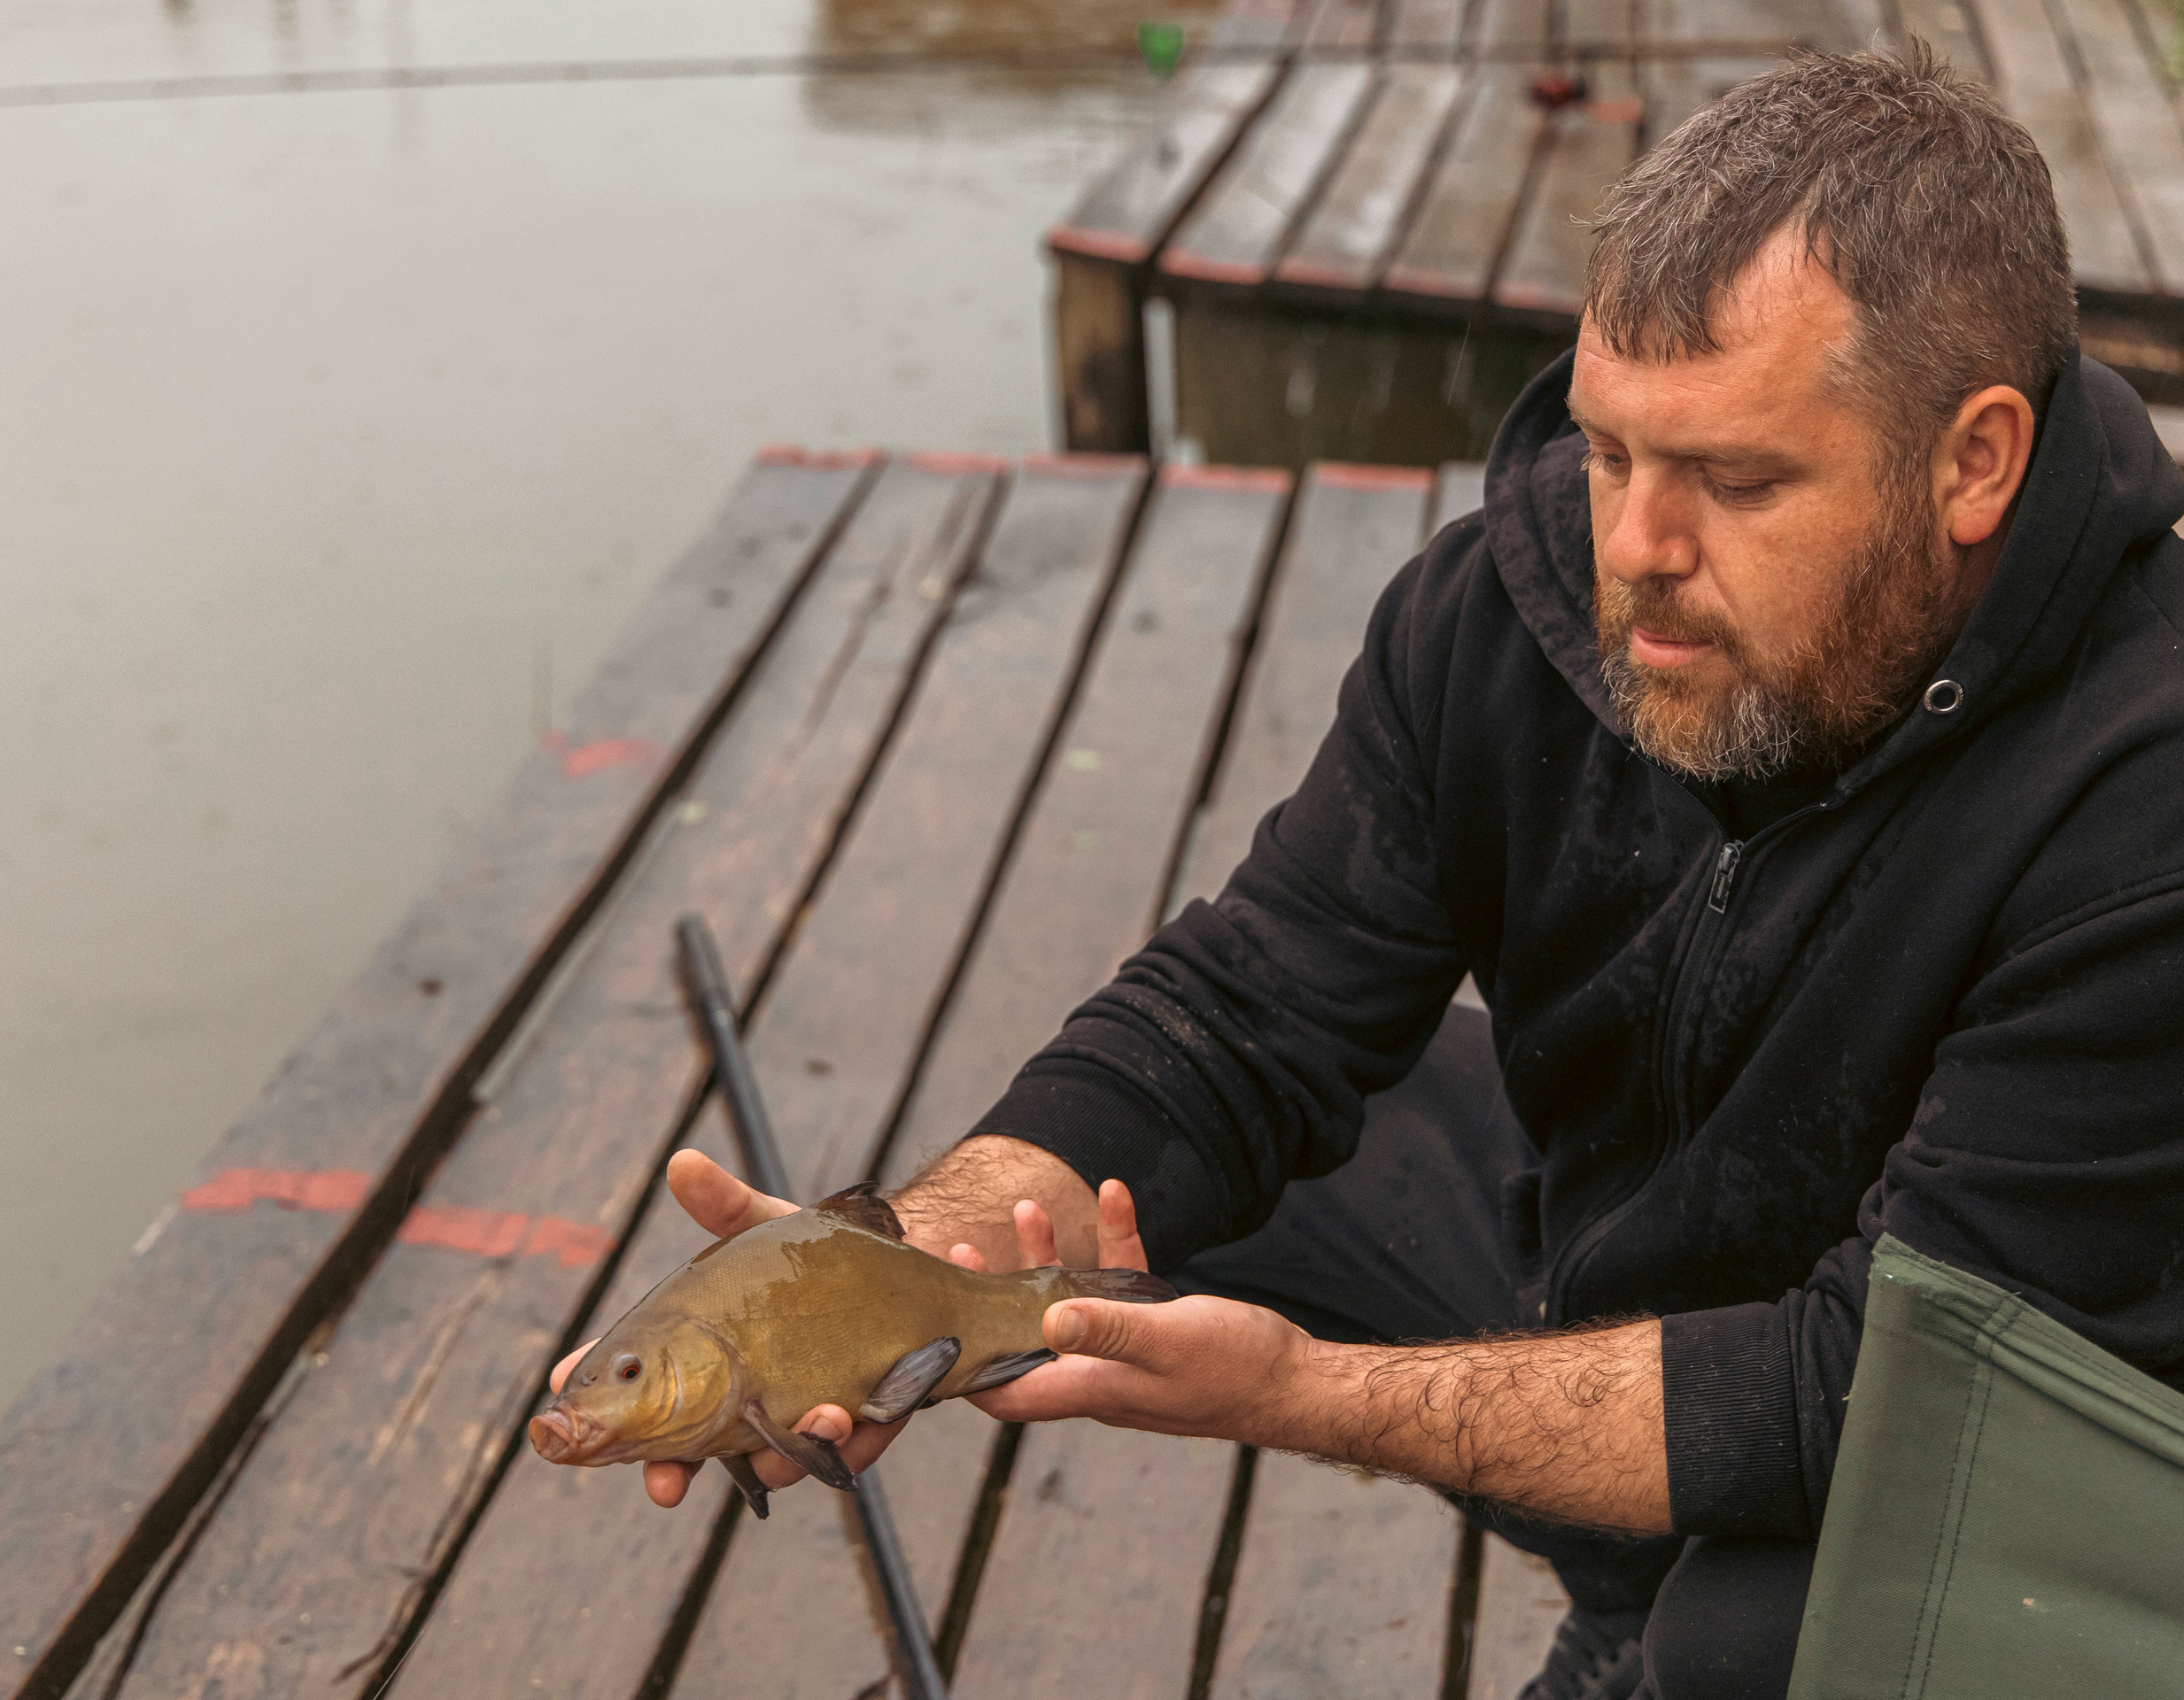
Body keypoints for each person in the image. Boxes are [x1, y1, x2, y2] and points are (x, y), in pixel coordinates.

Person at [554, 42, 2184, 1699]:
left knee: (1745, 1639)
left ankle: (1665, 1635)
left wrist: (1300, 1395)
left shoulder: (2147, 799)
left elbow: (1866, 1395)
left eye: (1738, 480)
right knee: (1218, 1146)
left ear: (1974, 463)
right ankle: (1631, 1592)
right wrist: (900, 1261)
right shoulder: (1510, 607)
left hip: (2032, 1455)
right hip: (1687, 1268)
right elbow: (1249, 1000)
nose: (1635, 551)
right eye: (1616, 450)